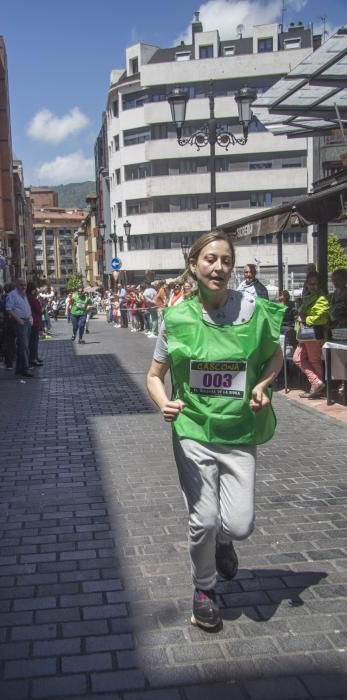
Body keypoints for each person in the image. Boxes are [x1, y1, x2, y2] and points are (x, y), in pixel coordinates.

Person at [146, 231, 284, 631]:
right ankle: (204, 590)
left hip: (239, 433)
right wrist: (163, 402)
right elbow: (155, 376)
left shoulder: (255, 311)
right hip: (192, 429)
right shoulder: (176, 318)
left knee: (238, 524)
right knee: (202, 519)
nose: (219, 267)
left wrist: (263, 385)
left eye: (225, 260)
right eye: (210, 259)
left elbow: (275, 358)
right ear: (194, 265)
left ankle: (224, 542)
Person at [293, 271, 329, 399]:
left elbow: (323, 318)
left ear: (319, 284)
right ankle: (317, 383)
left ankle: (316, 388)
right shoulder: (307, 296)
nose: (312, 286)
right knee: (297, 358)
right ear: (306, 283)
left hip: (313, 334)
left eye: (315, 283)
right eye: (310, 283)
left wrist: (305, 318)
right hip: (304, 334)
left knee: (314, 361)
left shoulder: (322, 298)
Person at [5, 279, 33, 378]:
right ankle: (25, 368)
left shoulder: (23, 294)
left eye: (25, 285)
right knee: (24, 346)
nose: (23, 287)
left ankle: (19, 368)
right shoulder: (12, 295)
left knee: (23, 346)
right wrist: (18, 319)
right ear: (17, 285)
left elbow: (26, 307)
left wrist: (30, 318)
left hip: (27, 321)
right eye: (21, 285)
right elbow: (8, 309)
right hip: (19, 322)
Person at [27, 282, 43, 367]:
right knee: (34, 341)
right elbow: (38, 310)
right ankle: (33, 358)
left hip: (31, 321)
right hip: (34, 321)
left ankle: (35, 357)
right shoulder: (32, 299)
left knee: (32, 341)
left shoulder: (26, 297)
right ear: (33, 290)